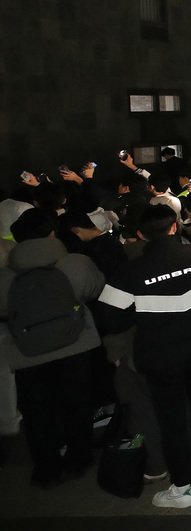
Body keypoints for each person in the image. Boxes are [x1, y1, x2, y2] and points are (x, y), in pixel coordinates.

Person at [97, 204, 191, 508]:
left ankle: (182, 487)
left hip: (159, 357)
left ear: (141, 234)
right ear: (174, 227)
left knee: (171, 421)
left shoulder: (129, 273)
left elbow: (110, 317)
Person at [0, 208, 105, 487]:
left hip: (28, 352)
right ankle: (78, 458)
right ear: (52, 233)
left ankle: (46, 467)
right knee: (77, 402)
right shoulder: (74, 263)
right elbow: (95, 289)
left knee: (37, 411)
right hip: (75, 343)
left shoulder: (6, 276)